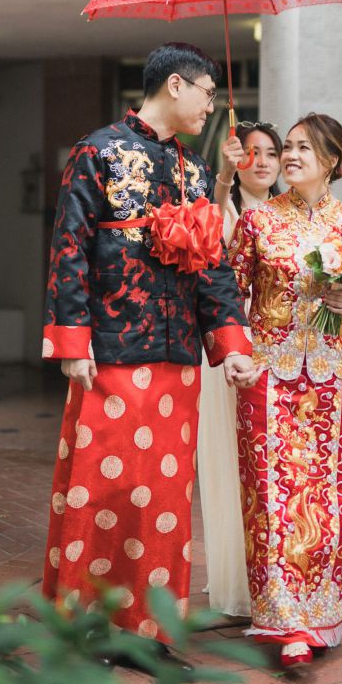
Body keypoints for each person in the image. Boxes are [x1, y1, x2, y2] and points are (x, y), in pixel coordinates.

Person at [41, 43, 258, 650]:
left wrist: (232, 344)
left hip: (177, 358)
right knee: (101, 492)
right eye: (208, 93)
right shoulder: (98, 152)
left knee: (164, 501)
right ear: (175, 85)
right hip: (109, 356)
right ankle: (86, 633)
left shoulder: (194, 171)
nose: (211, 106)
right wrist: (72, 341)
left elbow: (211, 266)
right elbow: (68, 250)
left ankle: (153, 633)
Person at [228, 113, 342, 668]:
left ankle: (323, 615)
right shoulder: (259, 221)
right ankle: (283, 623)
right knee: (271, 496)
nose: (290, 156)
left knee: (328, 498)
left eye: (303, 148)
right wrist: (235, 352)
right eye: (287, 147)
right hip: (268, 375)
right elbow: (229, 294)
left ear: (332, 161)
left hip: (332, 376)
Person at [198, 121, 283, 617]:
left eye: (271, 152)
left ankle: (279, 574)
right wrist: (225, 177)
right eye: (253, 153)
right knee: (233, 462)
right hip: (233, 345)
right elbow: (212, 225)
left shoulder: (289, 214)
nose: (264, 162)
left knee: (275, 462)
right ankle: (239, 579)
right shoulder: (225, 209)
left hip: (279, 349)